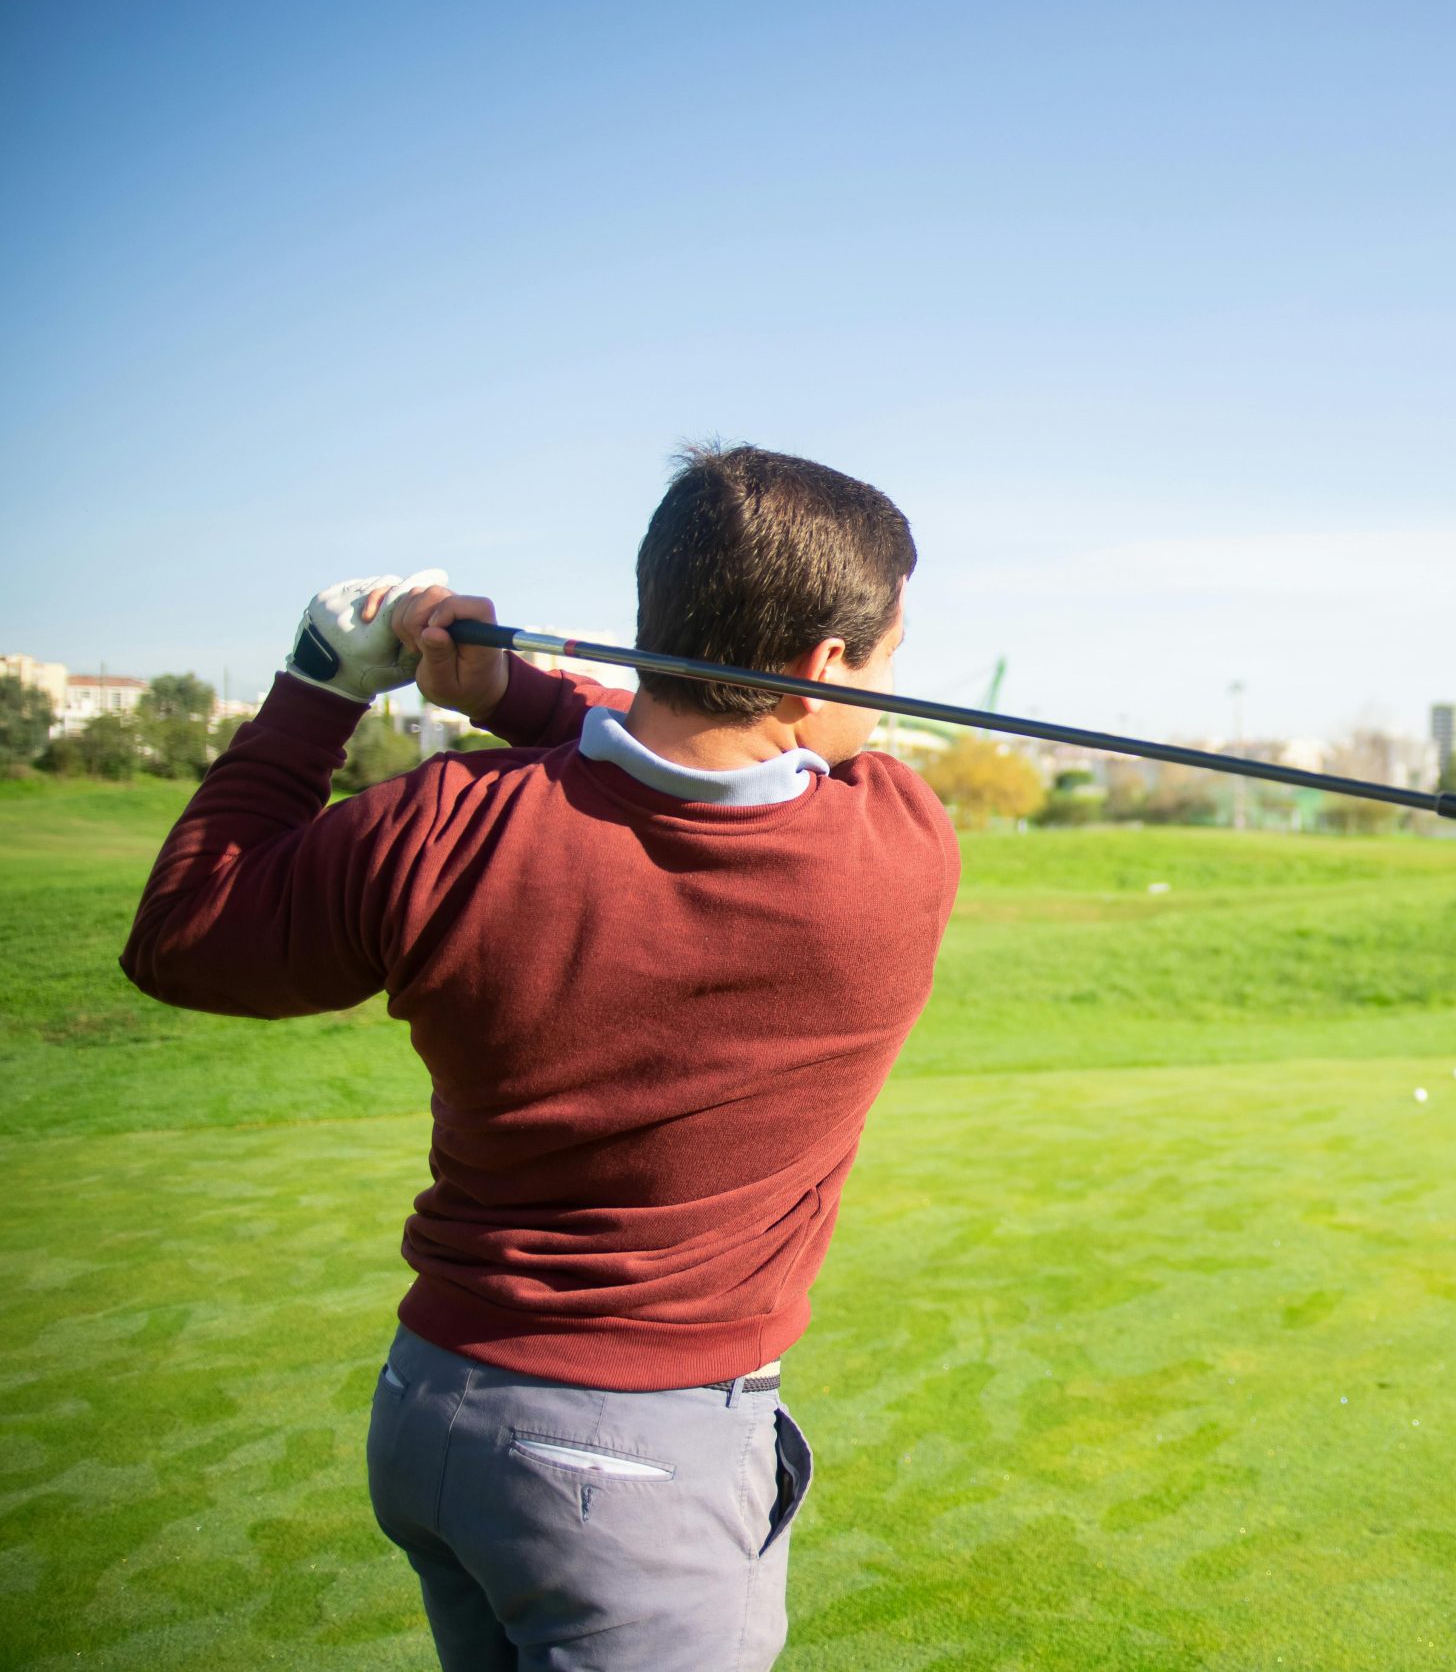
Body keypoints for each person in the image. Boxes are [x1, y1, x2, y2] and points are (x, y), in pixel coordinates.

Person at [122, 444, 960, 1670]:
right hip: (634, 1470)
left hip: (429, 1407)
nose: (886, 693)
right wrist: (512, 693)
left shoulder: (440, 821)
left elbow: (185, 934)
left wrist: (321, 685)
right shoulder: (897, 846)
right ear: (820, 666)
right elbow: (682, 751)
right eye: (886, 658)